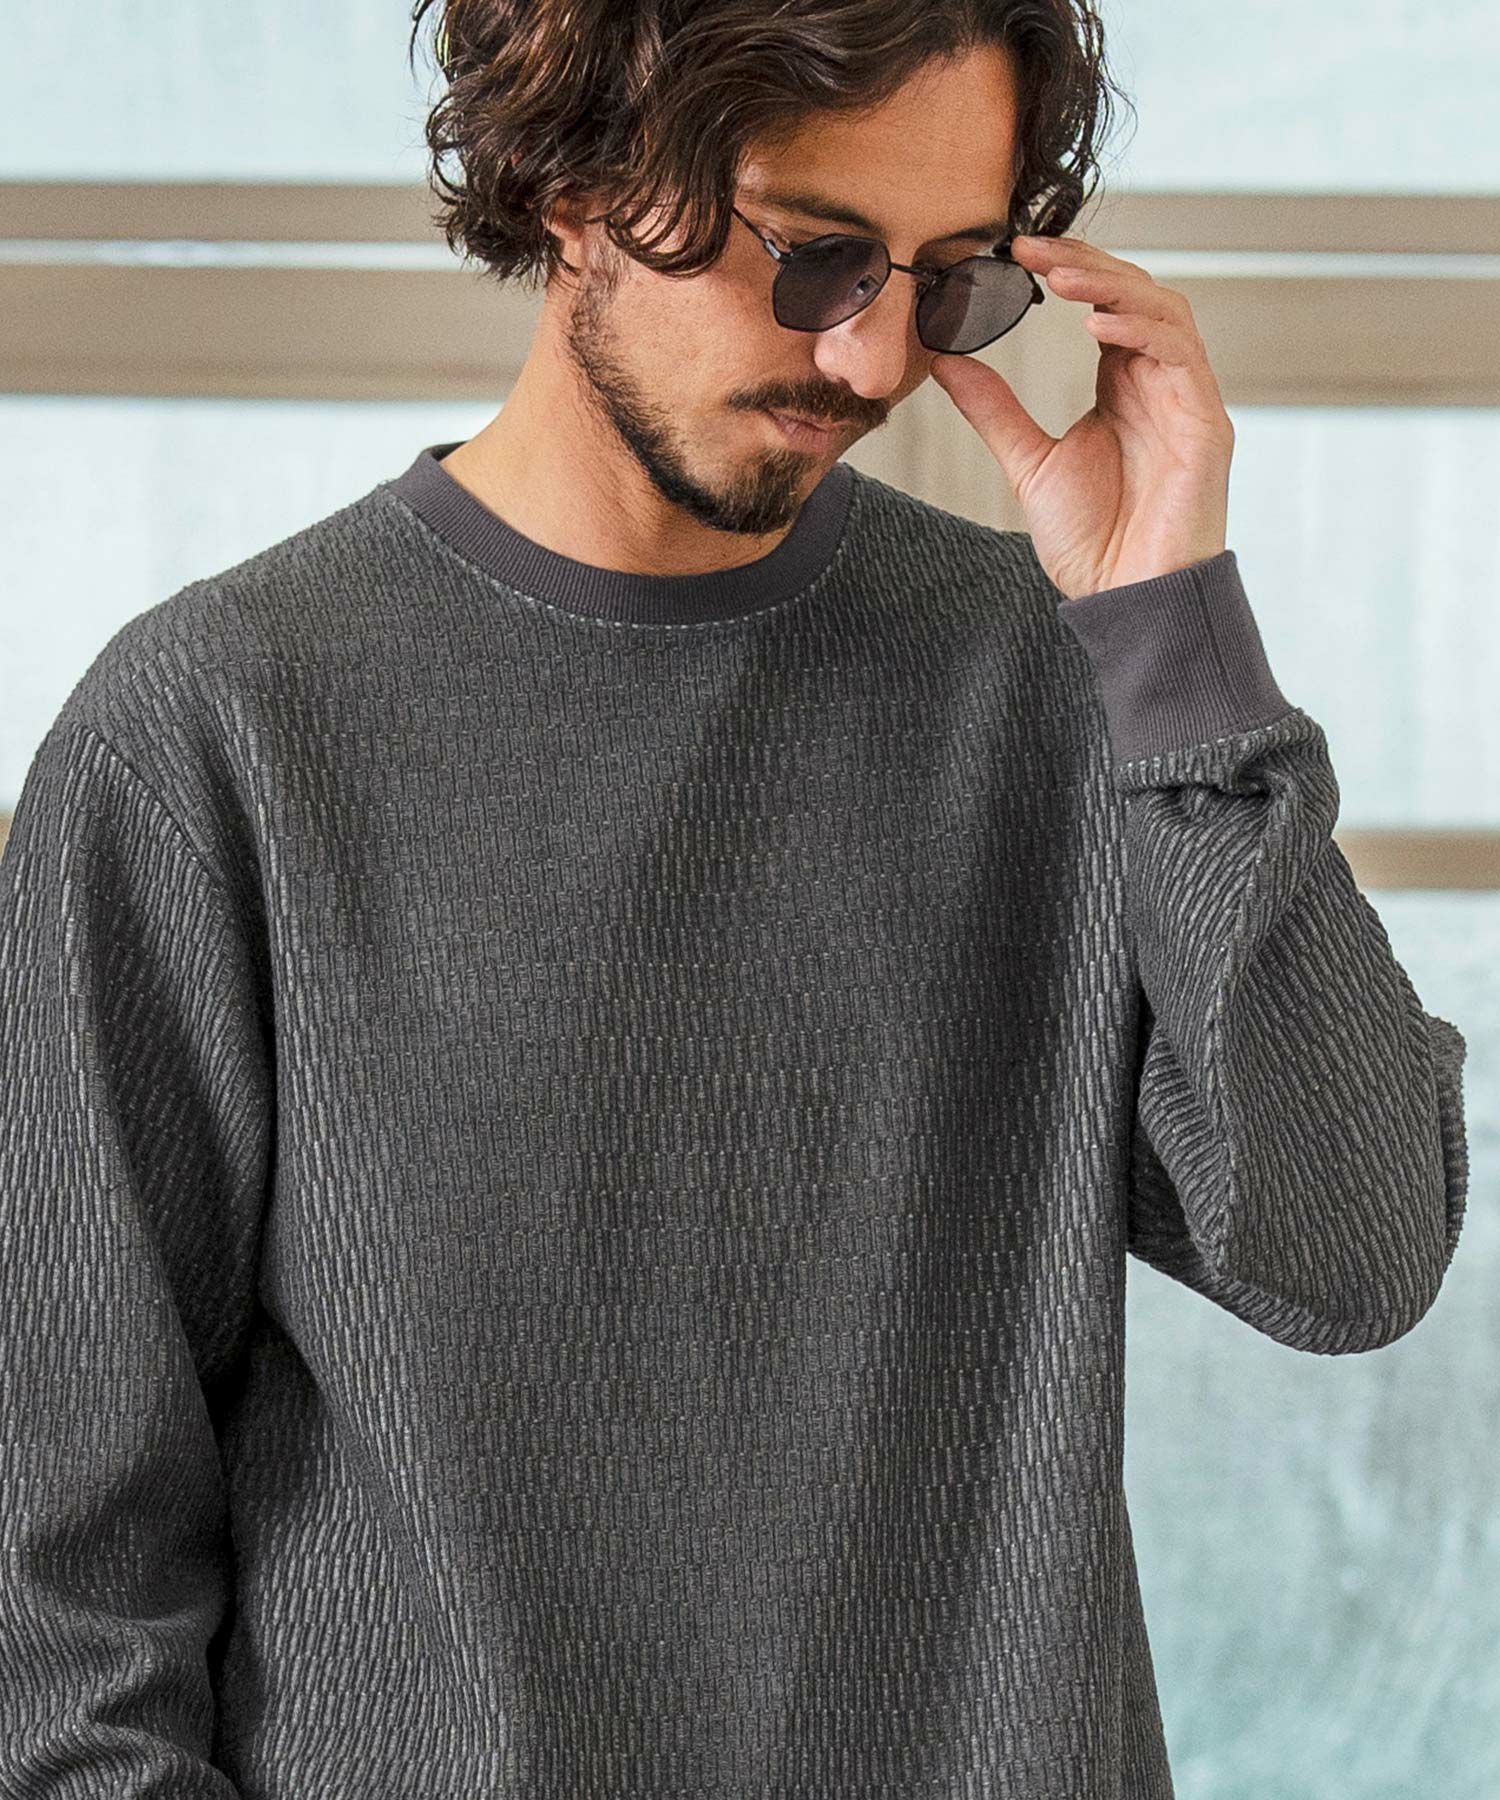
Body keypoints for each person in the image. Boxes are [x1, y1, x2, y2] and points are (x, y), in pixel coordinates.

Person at [0, 2, 1470, 1795]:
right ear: (575, 180)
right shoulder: (210, 734)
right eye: (814, 254)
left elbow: (1353, 1255)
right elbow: (51, 1611)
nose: (870, 360)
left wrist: (1174, 637)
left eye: (946, 282)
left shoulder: (1062, 685)